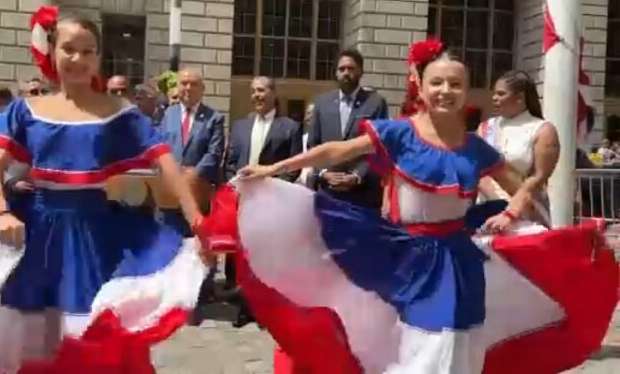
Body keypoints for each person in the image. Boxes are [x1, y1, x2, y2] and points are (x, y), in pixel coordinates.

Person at [202, 39, 618, 374]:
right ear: (421, 86)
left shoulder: (476, 148)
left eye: (456, 84)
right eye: (437, 82)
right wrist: (276, 166)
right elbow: (336, 149)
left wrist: (530, 222)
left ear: (466, 90)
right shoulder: (399, 133)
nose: (446, 91)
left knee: (456, 343)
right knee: (400, 343)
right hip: (402, 255)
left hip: (457, 261)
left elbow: (524, 187)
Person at [0, 6, 210, 373]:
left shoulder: (121, 113)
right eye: (69, 48)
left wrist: (197, 220)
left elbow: (168, 166)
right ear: (52, 53)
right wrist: (1, 212)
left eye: (88, 51)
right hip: (34, 233)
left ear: (99, 57)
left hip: (96, 236)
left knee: (86, 332)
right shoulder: (27, 111)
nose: (78, 59)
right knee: (25, 334)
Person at [224, 76, 302, 327]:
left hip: (272, 203)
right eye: (253, 91)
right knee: (244, 258)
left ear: (273, 93)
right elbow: (229, 164)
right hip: (242, 201)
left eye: (261, 90)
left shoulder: (289, 127)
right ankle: (244, 306)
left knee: (268, 258)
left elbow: (293, 167)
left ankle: (266, 310)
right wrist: (235, 187)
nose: (256, 95)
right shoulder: (239, 127)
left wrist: (271, 188)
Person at [159, 67, 225, 325]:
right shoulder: (167, 115)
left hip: (198, 194)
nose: (187, 88)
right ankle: (173, 301)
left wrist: (192, 175)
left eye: (193, 84)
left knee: (198, 248)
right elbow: (160, 147)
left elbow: (214, 153)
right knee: (171, 247)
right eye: (183, 84)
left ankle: (196, 301)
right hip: (169, 195)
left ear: (202, 89)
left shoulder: (214, 118)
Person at [307, 49, 389, 209]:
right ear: (336, 73)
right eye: (341, 69)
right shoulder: (322, 103)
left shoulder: (375, 103)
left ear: (361, 71)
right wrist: (324, 173)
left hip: (363, 195)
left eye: (351, 69)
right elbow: (313, 146)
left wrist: (357, 175)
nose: (346, 73)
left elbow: (380, 146)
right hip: (328, 193)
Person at [478, 70, 559, 226]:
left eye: (501, 94)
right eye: (494, 93)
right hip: (485, 210)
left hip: (526, 212)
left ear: (520, 98)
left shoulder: (542, 130)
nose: (494, 98)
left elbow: (538, 177)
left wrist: (511, 209)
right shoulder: (485, 127)